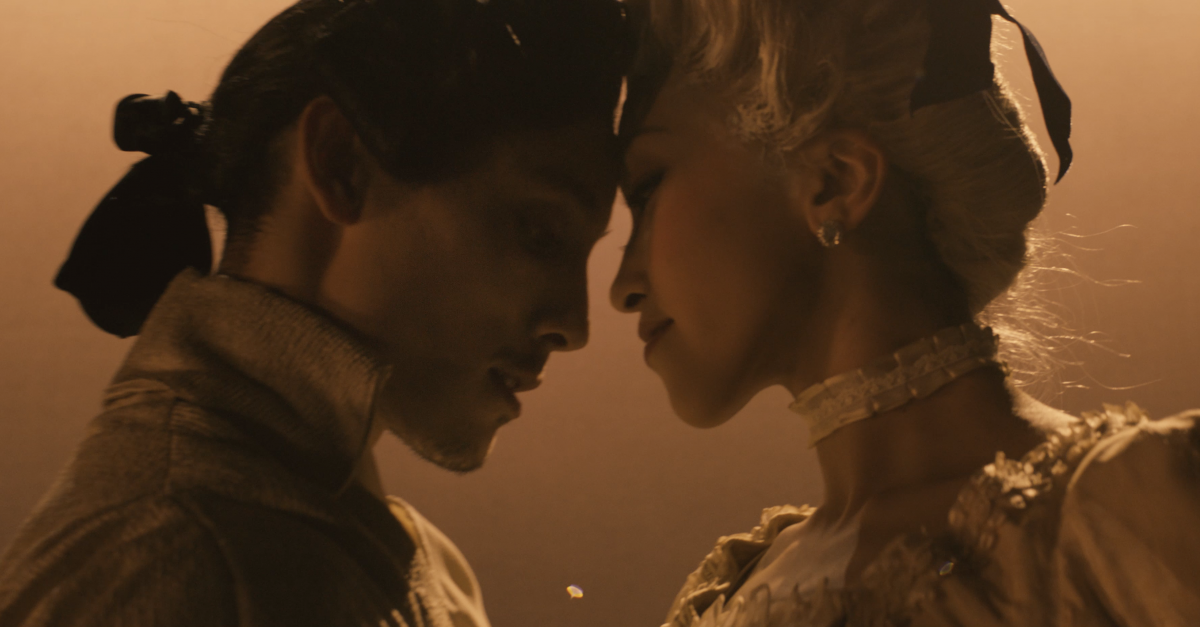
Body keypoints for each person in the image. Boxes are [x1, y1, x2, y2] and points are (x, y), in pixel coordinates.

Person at [0, 0, 628, 625]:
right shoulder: (171, 561)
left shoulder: (418, 564)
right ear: (341, 163)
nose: (574, 326)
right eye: (540, 234)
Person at [610, 0, 1200, 625]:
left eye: (646, 191)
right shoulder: (728, 594)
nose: (622, 286)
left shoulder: (1137, 509)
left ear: (835, 182)